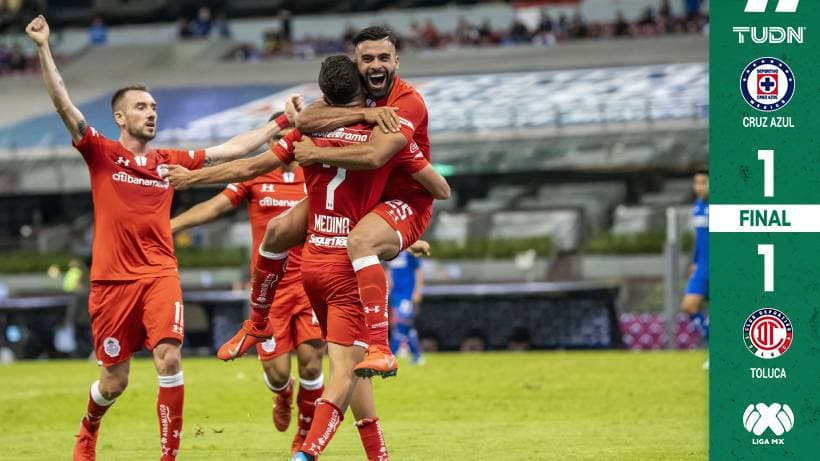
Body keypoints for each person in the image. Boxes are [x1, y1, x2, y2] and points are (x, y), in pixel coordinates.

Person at [25, 14, 296, 461]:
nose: (151, 113)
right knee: (114, 382)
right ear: (119, 116)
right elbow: (64, 105)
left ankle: (168, 455)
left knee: (169, 359)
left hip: (159, 275)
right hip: (111, 283)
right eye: (141, 107)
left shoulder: (169, 162)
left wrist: (277, 125)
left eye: (153, 107)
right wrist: (42, 48)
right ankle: (89, 427)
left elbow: (229, 150)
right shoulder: (101, 153)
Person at [163, 54, 449, 461]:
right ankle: (307, 454)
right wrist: (409, 216)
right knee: (344, 372)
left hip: (309, 262)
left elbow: (251, 164)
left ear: (324, 96)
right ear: (363, 91)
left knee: (279, 237)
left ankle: (256, 323)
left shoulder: (305, 137)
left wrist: (190, 177)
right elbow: (435, 186)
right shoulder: (383, 136)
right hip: (347, 267)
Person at [169, 113, 324, 454]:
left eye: (294, 134)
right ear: (271, 142)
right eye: (280, 135)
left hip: (312, 282)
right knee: (279, 373)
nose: (288, 141)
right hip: (269, 290)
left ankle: (304, 434)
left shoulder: (315, 174)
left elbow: (350, 208)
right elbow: (213, 207)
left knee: (313, 361)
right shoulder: (256, 175)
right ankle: (282, 394)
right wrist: (169, 227)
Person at [293, 26, 436, 379]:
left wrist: (312, 151)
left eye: (383, 58)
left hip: (404, 200)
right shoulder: (356, 97)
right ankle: (259, 319)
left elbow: (374, 156)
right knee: (281, 229)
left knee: (359, 240)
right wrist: (364, 114)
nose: (376, 64)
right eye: (367, 58)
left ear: (396, 62)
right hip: (365, 199)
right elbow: (306, 119)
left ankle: (381, 347)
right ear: (357, 64)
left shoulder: (408, 101)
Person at [681, 167, 709, 366]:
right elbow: (700, 239)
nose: (699, 187)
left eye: (704, 182)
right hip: (702, 266)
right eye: (696, 182)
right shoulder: (698, 205)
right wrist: (695, 260)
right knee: (689, 305)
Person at [388, 251, 425, 365]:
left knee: (401, 324)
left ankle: (390, 356)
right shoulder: (390, 252)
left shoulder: (409, 252)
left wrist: (418, 290)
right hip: (395, 295)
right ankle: (417, 356)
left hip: (408, 295)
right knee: (407, 327)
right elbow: (387, 272)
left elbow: (419, 271)